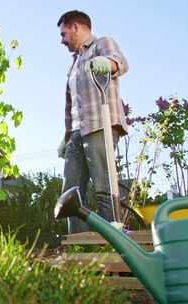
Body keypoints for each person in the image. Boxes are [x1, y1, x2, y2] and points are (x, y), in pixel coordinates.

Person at [56, 10, 129, 234]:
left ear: (76, 26)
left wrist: (106, 63)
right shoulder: (74, 63)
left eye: (64, 33)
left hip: (99, 125)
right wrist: (65, 138)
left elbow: (120, 64)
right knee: (70, 190)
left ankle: (113, 237)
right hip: (77, 133)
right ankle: (76, 243)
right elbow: (73, 105)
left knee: (103, 185)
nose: (62, 40)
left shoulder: (101, 44)